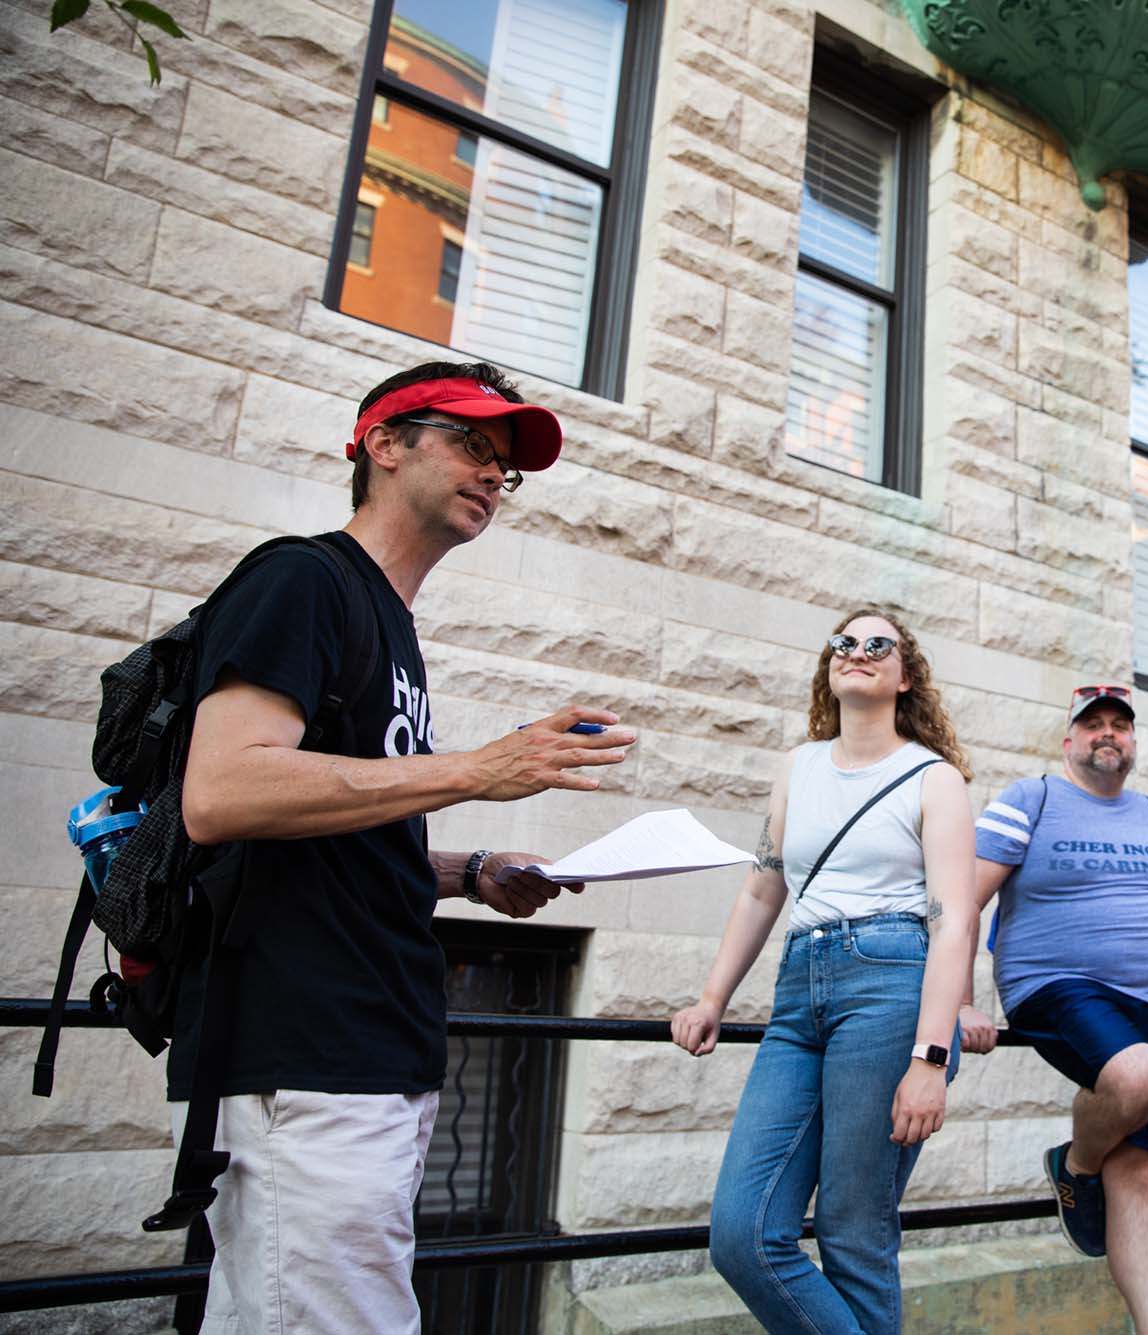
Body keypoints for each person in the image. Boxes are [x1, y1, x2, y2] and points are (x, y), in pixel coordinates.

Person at [175, 360, 636, 1333]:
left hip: (377, 1050)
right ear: (384, 444)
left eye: (506, 467)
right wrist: (476, 768)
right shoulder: (301, 578)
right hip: (309, 1049)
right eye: (473, 443)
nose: (494, 475)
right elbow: (220, 791)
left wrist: (472, 873)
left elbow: (338, 835)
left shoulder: (391, 625)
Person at [671, 608, 977, 1335]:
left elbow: (955, 921)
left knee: (852, 1232)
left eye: (880, 645)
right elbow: (762, 886)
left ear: (906, 677)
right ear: (828, 664)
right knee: (742, 1232)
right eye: (846, 642)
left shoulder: (934, 779)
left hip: (891, 988)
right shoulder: (799, 766)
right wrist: (714, 995)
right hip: (798, 990)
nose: (859, 652)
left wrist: (931, 1056)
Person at [958, 684, 1148, 1335]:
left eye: (1120, 724)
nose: (1107, 733)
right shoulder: (1032, 798)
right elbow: (961, 900)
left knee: (1139, 1170)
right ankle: (1076, 1165)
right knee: (1136, 1076)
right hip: (1050, 983)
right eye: (1093, 724)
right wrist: (965, 1000)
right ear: (1068, 740)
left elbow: (1137, 910)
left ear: (1133, 741)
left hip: (1136, 1002)